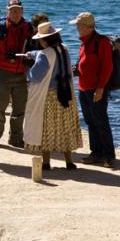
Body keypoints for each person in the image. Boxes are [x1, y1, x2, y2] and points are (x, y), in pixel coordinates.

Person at [23, 22, 82, 170]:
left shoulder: (45, 54)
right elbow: (48, 55)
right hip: (66, 94)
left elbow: (36, 76)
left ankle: (46, 162)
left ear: (44, 40)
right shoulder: (64, 49)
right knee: (64, 127)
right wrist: (33, 53)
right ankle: (69, 161)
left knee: (46, 128)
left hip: (50, 97)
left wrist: (27, 72)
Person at [69, 11, 115, 168]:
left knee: (101, 121)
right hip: (84, 88)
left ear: (87, 27)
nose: (76, 27)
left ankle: (109, 156)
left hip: (96, 89)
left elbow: (107, 67)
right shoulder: (85, 42)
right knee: (90, 121)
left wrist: (101, 88)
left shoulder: (101, 42)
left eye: (78, 25)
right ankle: (96, 153)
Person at [0, 0, 32, 148]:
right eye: (12, 10)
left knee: (19, 110)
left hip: (21, 74)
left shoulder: (29, 29)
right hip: (2, 74)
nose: (15, 13)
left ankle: (16, 138)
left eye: (18, 10)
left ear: (22, 11)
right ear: (7, 11)